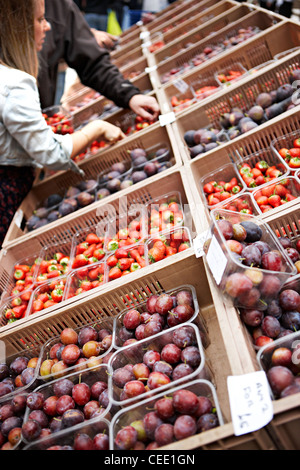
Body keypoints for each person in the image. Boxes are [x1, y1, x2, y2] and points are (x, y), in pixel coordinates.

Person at [0, 0, 125, 248]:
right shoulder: (15, 83)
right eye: (40, 20)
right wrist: (96, 128)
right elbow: (51, 153)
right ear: (18, 27)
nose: (47, 27)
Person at [39, 0, 160, 122]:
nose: (47, 26)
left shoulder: (57, 5)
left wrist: (129, 95)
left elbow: (92, 63)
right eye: (39, 20)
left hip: (40, 123)